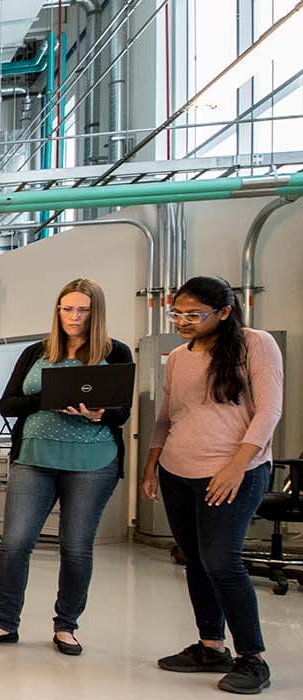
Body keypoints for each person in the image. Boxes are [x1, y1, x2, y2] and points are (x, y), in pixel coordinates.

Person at [0, 279, 133, 655]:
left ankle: (66, 627)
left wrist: (97, 413)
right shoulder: (36, 352)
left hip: (92, 462)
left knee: (75, 546)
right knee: (15, 543)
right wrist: (49, 399)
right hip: (35, 458)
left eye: (83, 310)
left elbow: (122, 413)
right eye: (67, 309)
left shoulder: (116, 351)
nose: (74, 317)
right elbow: (8, 404)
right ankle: (5, 623)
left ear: (96, 313)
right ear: (58, 311)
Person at [142, 276, 282, 695]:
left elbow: (270, 410)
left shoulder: (256, 344)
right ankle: (210, 646)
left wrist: (238, 465)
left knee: (222, 561)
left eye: (194, 315)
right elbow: (167, 416)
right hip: (177, 471)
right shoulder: (179, 357)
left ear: (223, 312)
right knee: (196, 560)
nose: (183, 321)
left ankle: (252, 658)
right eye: (177, 313)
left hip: (233, 470)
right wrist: (151, 466)